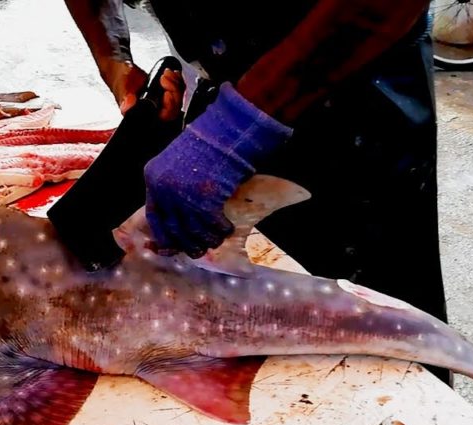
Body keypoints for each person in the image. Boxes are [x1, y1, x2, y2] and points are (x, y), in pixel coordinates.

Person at [63, 0, 451, 385]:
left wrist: (236, 127)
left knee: (389, 350)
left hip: (357, 86)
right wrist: (114, 61)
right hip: (221, 76)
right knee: (257, 350)